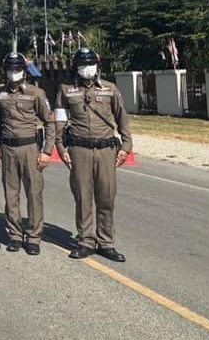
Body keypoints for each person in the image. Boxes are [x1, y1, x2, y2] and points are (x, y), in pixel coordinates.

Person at [55, 47, 132, 262]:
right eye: (82, 64)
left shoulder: (110, 89)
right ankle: (86, 241)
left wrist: (126, 146)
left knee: (106, 196)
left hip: (106, 149)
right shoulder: (66, 90)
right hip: (79, 150)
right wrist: (61, 148)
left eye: (90, 64)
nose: (86, 68)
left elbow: (122, 119)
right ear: (76, 67)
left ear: (97, 66)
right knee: (83, 197)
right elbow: (59, 121)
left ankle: (106, 243)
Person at [0, 52, 54, 255]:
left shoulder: (36, 93)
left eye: (17, 69)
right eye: (10, 69)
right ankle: (15, 235)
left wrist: (47, 151)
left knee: (34, 194)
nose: (13, 72)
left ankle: (33, 237)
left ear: (24, 71)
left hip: (30, 148)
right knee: (11, 194)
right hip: (8, 149)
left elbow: (49, 122)